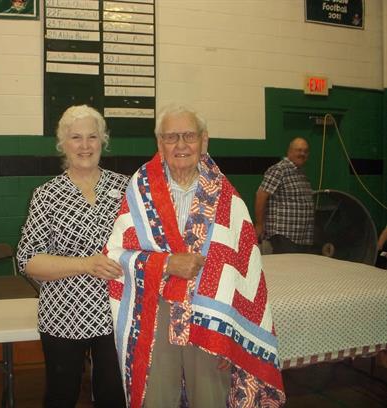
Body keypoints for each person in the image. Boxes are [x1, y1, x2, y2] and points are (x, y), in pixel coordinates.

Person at [105, 105, 285, 407]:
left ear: (204, 141)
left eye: (188, 135)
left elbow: (244, 270)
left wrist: (232, 335)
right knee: (157, 398)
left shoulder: (227, 197)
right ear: (159, 144)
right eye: (171, 137)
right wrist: (166, 264)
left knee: (209, 398)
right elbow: (116, 254)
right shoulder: (140, 189)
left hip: (211, 316)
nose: (180, 144)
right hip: (154, 311)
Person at [16, 105, 128, 408]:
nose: (85, 145)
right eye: (76, 137)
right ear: (63, 143)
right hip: (63, 316)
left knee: (114, 397)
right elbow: (28, 260)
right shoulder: (47, 194)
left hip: (117, 313)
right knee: (61, 396)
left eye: (93, 137)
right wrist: (85, 264)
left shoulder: (126, 187)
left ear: (102, 140)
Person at [254, 137, 314, 254]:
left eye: (305, 151)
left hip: (301, 237)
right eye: (299, 150)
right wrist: (259, 225)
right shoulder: (279, 170)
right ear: (289, 151)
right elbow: (261, 195)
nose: (302, 153)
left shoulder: (301, 173)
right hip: (284, 235)